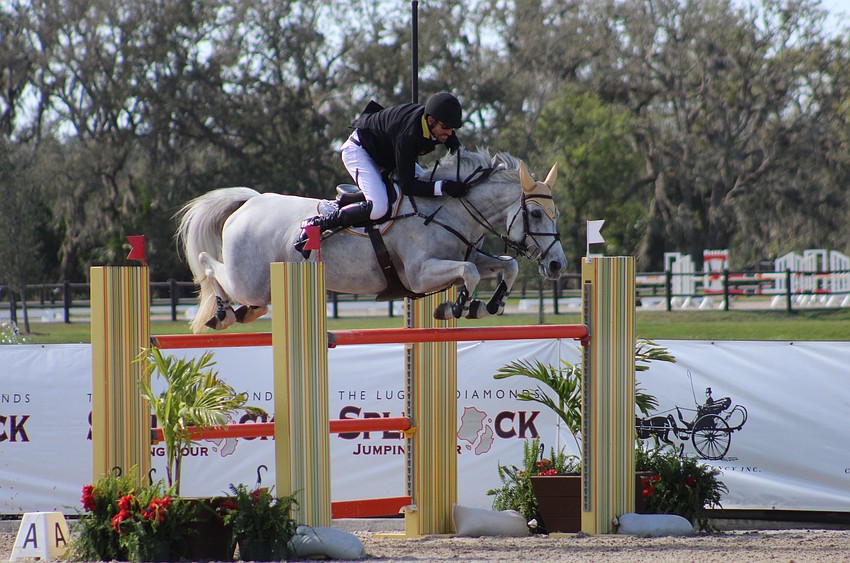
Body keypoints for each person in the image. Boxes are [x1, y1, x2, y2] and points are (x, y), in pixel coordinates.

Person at [294, 92, 469, 257]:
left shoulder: (434, 123)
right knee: (379, 208)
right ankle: (320, 222)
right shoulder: (408, 133)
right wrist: (444, 186)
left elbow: (451, 152)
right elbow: (408, 186)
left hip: (387, 155)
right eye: (445, 127)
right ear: (430, 120)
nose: (449, 133)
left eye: (452, 128)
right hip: (360, 151)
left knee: (429, 183)